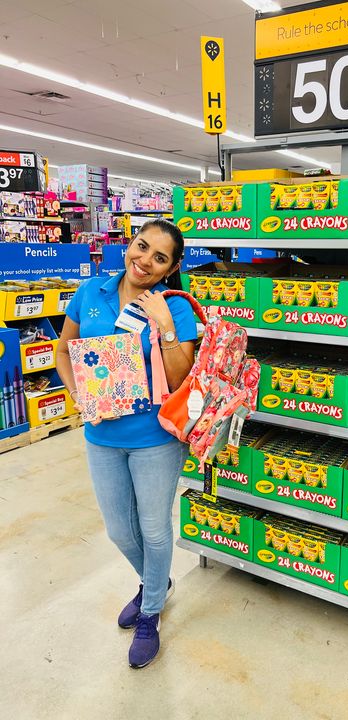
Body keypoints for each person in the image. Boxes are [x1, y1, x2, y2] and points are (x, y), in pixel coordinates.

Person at [56, 219, 197, 669]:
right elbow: (63, 349)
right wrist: (76, 392)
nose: (145, 260)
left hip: (155, 438)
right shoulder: (90, 293)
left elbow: (180, 377)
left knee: (154, 529)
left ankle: (150, 612)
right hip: (101, 436)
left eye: (160, 258)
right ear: (129, 244)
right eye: (142, 246)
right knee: (120, 530)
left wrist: (165, 325)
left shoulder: (173, 306)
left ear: (171, 268)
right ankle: (156, 583)